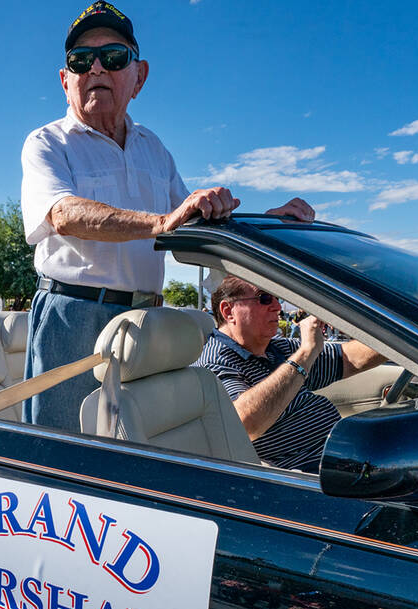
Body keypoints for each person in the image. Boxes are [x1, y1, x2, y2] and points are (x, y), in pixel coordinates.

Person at [21, 1, 313, 431]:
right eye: (82, 60)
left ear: (139, 76)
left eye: (114, 57)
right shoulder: (47, 143)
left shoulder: (153, 148)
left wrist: (261, 227)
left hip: (145, 325)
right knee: (59, 450)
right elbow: (63, 214)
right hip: (73, 315)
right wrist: (160, 223)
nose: (97, 68)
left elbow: (189, 228)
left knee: (136, 451)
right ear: (66, 81)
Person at [194, 275, 388, 472]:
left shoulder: (275, 348)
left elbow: (349, 359)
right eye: (264, 298)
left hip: (342, 456)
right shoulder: (215, 361)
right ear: (228, 311)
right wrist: (305, 353)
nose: (277, 307)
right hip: (310, 477)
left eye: (277, 298)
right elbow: (244, 424)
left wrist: (398, 340)